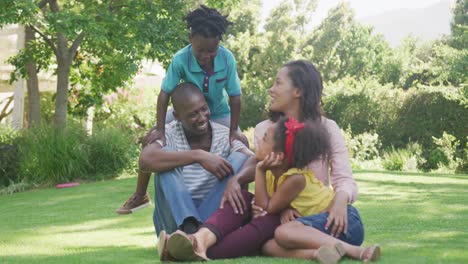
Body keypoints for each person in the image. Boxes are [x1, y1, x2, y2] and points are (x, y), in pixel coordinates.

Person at [116, 5, 247, 214]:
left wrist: (233, 130)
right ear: (191, 39)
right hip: (190, 112)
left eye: (211, 51)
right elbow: (164, 94)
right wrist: (160, 128)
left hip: (219, 113)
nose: (206, 56)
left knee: (242, 143)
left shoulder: (227, 58)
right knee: (149, 139)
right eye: (200, 50)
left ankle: (239, 205)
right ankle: (140, 195)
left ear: (219, 43)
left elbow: (235, 97)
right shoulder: (180, 59)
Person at [253, 60, 380, 263]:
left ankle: (353, 250)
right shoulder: (264, 131)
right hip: (298, 223)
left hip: (330, 217)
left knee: (283, 234)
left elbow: (344, 179)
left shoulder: (328, 128)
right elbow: (269, 188)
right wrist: (283, 206)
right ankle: (320, 254)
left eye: (278, 83)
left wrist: (340, 200)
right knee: (266, 245)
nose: (271, 89)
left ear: (298, 91)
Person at [159, 116, 334, 262]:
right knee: (242, 197)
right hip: (276, 217)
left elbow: (266, 208)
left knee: (267, 219)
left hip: (299, 226)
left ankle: (187, 250)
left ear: (278, 156)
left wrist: (259, 171)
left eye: (264, 138)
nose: (258, 140)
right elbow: (262, 205)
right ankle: (199, 238)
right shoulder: (272, 169)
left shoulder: (293, 177)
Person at [136, 83, 253, 239]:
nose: (201, 117)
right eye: (193, 114)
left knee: (241, 157)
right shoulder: (169, 133)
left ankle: (194, 236)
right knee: (165, 157)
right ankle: (189, 228)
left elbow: (254, 159)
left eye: (203, 109)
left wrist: (237, 179)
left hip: (211, 219)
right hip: (173, 224)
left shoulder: (224, 136)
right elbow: (145, 160)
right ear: (177, 116)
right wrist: (198, 156)